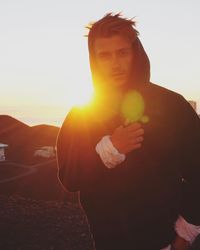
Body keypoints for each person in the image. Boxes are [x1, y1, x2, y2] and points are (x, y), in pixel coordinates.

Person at [56, 13, 200, 250]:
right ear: (94, 59)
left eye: (122, 52)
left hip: (167, 243)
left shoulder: (172, 105)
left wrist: (185, 235)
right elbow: (70, 177)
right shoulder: (83, 112)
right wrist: (109, 149)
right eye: (105, 55)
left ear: (136, 53)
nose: (115, 64)